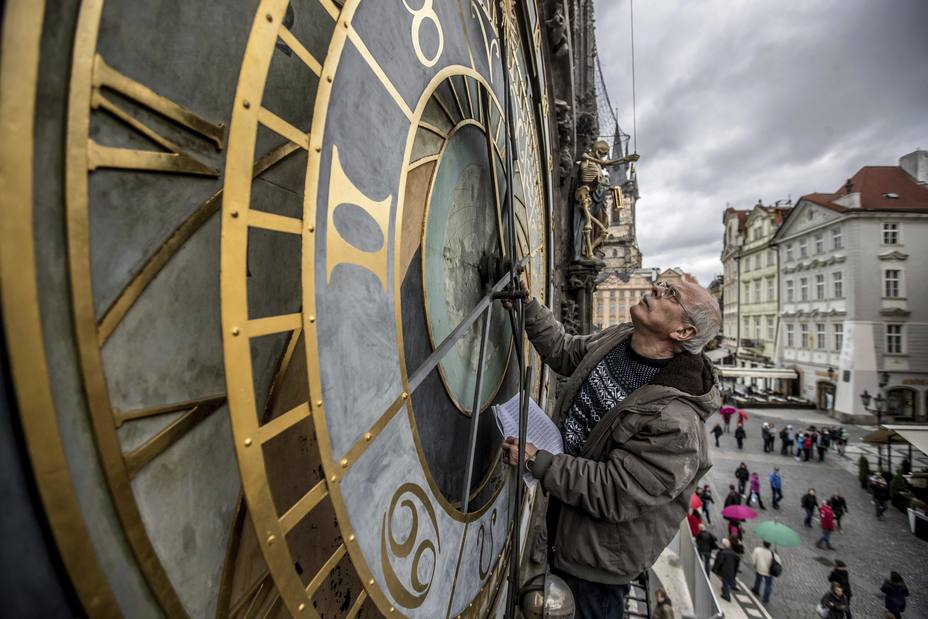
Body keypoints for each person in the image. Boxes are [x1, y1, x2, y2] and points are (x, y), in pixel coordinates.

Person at [501, 277, 722, 619]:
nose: (656, 290)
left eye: (671, 295)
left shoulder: (677, 422)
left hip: (596, 565)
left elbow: (615, 489)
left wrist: (539, 462)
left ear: (683, 333)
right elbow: (565, 350)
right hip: (563, 522)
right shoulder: (622, 340)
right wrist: (527, 306)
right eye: (663, 283)